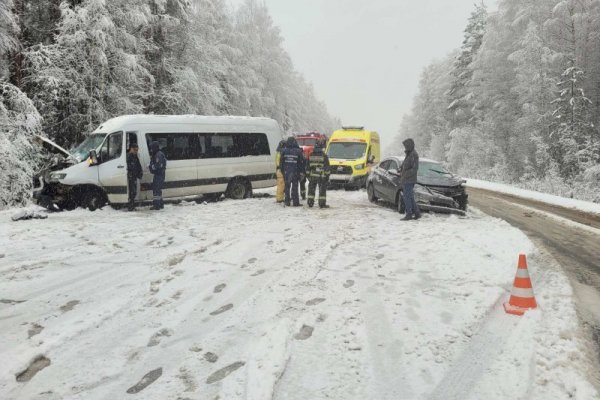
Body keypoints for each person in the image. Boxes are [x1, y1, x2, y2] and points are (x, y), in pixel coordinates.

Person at [399, 138, 421, 220]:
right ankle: (417, 213)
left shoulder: (414, 154)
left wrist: (405, 174)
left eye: (406, 146)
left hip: (409, 180)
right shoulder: (409, 153)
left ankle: (409, 214)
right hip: (407, 179)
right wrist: (401, 168)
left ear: (409, 145)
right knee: (410, 197)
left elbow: (414, 169)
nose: (405, 147)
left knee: (407, 197)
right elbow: (406, 164)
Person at [280, 136, 305, 207]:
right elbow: (301, 163)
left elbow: (281, 163)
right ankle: (295, 202)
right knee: (295, 188)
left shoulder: (284, 151)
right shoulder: (298, 151)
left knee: (287, 188)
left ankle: (287, 202)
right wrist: (301, 172)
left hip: (286, 172)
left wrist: (283, 171)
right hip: (295, 172)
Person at [306, 138, 330, 208]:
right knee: (322, 190)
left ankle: (310, 202)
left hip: (312, 176)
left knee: (311, 190)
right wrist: (327, 176)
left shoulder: (310, 155)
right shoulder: (324, 156)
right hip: (321, 176)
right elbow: (327, 168)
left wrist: (308, 175)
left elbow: (307, 167)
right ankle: (322, 204)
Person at [149, 141, 167, 210]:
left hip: (159, 175)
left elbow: (158, 165)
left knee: (156, 190)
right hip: (160, 174)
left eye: (152, 148)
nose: (151, 149)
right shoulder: (158, 153)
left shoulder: (158, 154)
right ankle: (160, 204)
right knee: (158, 190)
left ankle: (156, 205)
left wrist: (151, 166)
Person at [126, 143, 143, 211]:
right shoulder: (129, 156)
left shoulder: (135, 156)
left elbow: (138, 165)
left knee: (134, 192)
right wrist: (134, 172)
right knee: (132, 192)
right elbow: (130, 166)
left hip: (134, 176)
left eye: (137, 150)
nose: (136, 151)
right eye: (135, 150)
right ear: (131, 149)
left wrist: (140, 173)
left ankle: (132, 205)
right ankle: (130, 207)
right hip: (131, 176)